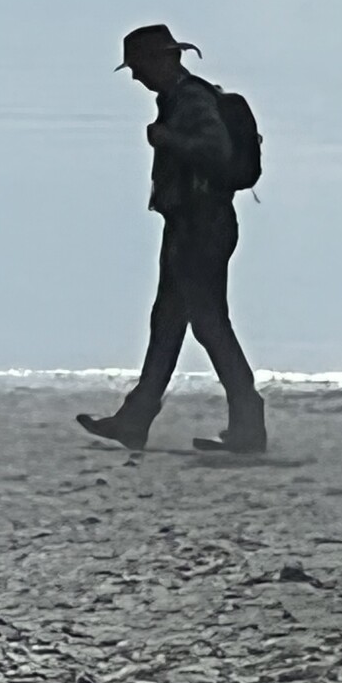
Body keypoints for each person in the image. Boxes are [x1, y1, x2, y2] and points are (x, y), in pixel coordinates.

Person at [77, 24, 267, 453]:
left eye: (139, 65)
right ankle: (135, 419)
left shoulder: (192, 100)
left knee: (207, 324)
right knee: (168, 324)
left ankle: (248, 422)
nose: (135, 76)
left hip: (202, 225)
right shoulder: (184, 97)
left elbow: (214, 151)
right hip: (191, 223)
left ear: (165, 60)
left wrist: (166, 139)